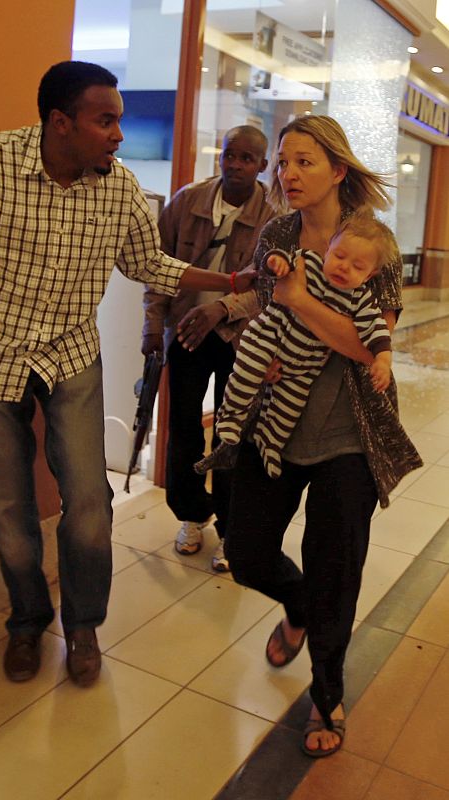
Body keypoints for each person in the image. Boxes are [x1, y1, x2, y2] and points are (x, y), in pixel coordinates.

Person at [0, 61, 256, 688]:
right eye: (105, 120)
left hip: (71, 357)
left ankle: (83, 625)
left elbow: (150, 264)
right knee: (8, 509)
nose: (118, 134)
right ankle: (27, 620)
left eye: (119, 120)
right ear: (60, 123)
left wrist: (227, 282)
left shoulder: (117, 188)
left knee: (89, 501)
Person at [182, 115, 421, 758]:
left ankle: (326, 695)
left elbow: (369, 344)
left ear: (338, 170)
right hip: (274, 422)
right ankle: (299, 605)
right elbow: (266, 304)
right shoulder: (278, 232)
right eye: (283, 162)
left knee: (335, 570)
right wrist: (270, 316)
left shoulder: (377, 243)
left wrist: (301, 303)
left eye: (303, 162)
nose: (286, 174)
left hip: (350, 432)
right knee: (250, 552)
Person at [142, 125, 274, 571]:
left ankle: (233, 533)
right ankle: (192, 515)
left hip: (242, 341)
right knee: (182, 432)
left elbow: (270, 290)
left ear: (262, 165)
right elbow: (158, 269)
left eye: (246, 158)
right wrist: (152, 327)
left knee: (233, 435)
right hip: (185, 334)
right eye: (229, 155)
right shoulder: (188, 201)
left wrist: (221, 309)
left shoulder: (275, 218)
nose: (235, 165)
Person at [200, 214, 395, 478]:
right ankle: (231, 417)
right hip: (268, 336)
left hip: (305, 366)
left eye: (357, 266)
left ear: (370, 274)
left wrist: (383, 360)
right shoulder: (310, 263)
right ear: (328, 250)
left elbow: (378, 333)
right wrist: (276, 262)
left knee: (287, 410)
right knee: (247, 374)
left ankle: (270, 444)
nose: (344, 267)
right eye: (339, 256)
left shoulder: (361, 300)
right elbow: (279, 260)